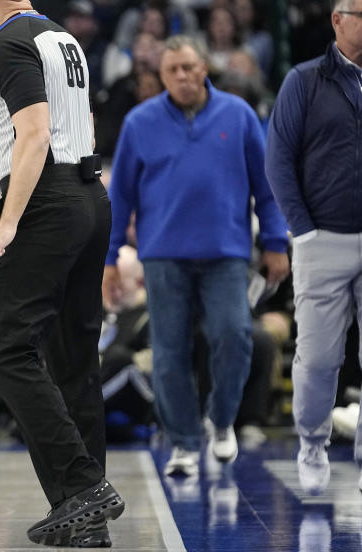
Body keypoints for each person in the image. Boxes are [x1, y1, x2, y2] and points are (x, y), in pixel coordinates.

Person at [0, 0, 124, 547]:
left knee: (6, 350)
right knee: (74, 359)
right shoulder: (63, 36)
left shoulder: (6, 42)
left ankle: (83, 487)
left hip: (46, 198)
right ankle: (86, 520)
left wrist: (7, 221)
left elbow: (33, 135)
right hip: (90, 195)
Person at [104, 35, 290, 478]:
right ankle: (185, 442)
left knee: (235, 334)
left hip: (227, 254)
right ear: (162, 76)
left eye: (190, 67)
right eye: (173, 70)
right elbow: (121, 197)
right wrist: (110, 258)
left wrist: (277, 243)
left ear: (205, 67)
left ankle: (222, 419)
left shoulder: (239, 115)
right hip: (163, 256)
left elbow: (267, 188)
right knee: (168, 353)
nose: (183, 76)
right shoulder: (139, 122)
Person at [265, 0, 362, 494]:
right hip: (321, 236)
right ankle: (312, 442)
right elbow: (277, 161)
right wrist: (301, 230)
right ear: (338, 20)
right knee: (320, 356)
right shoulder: (303, 81)